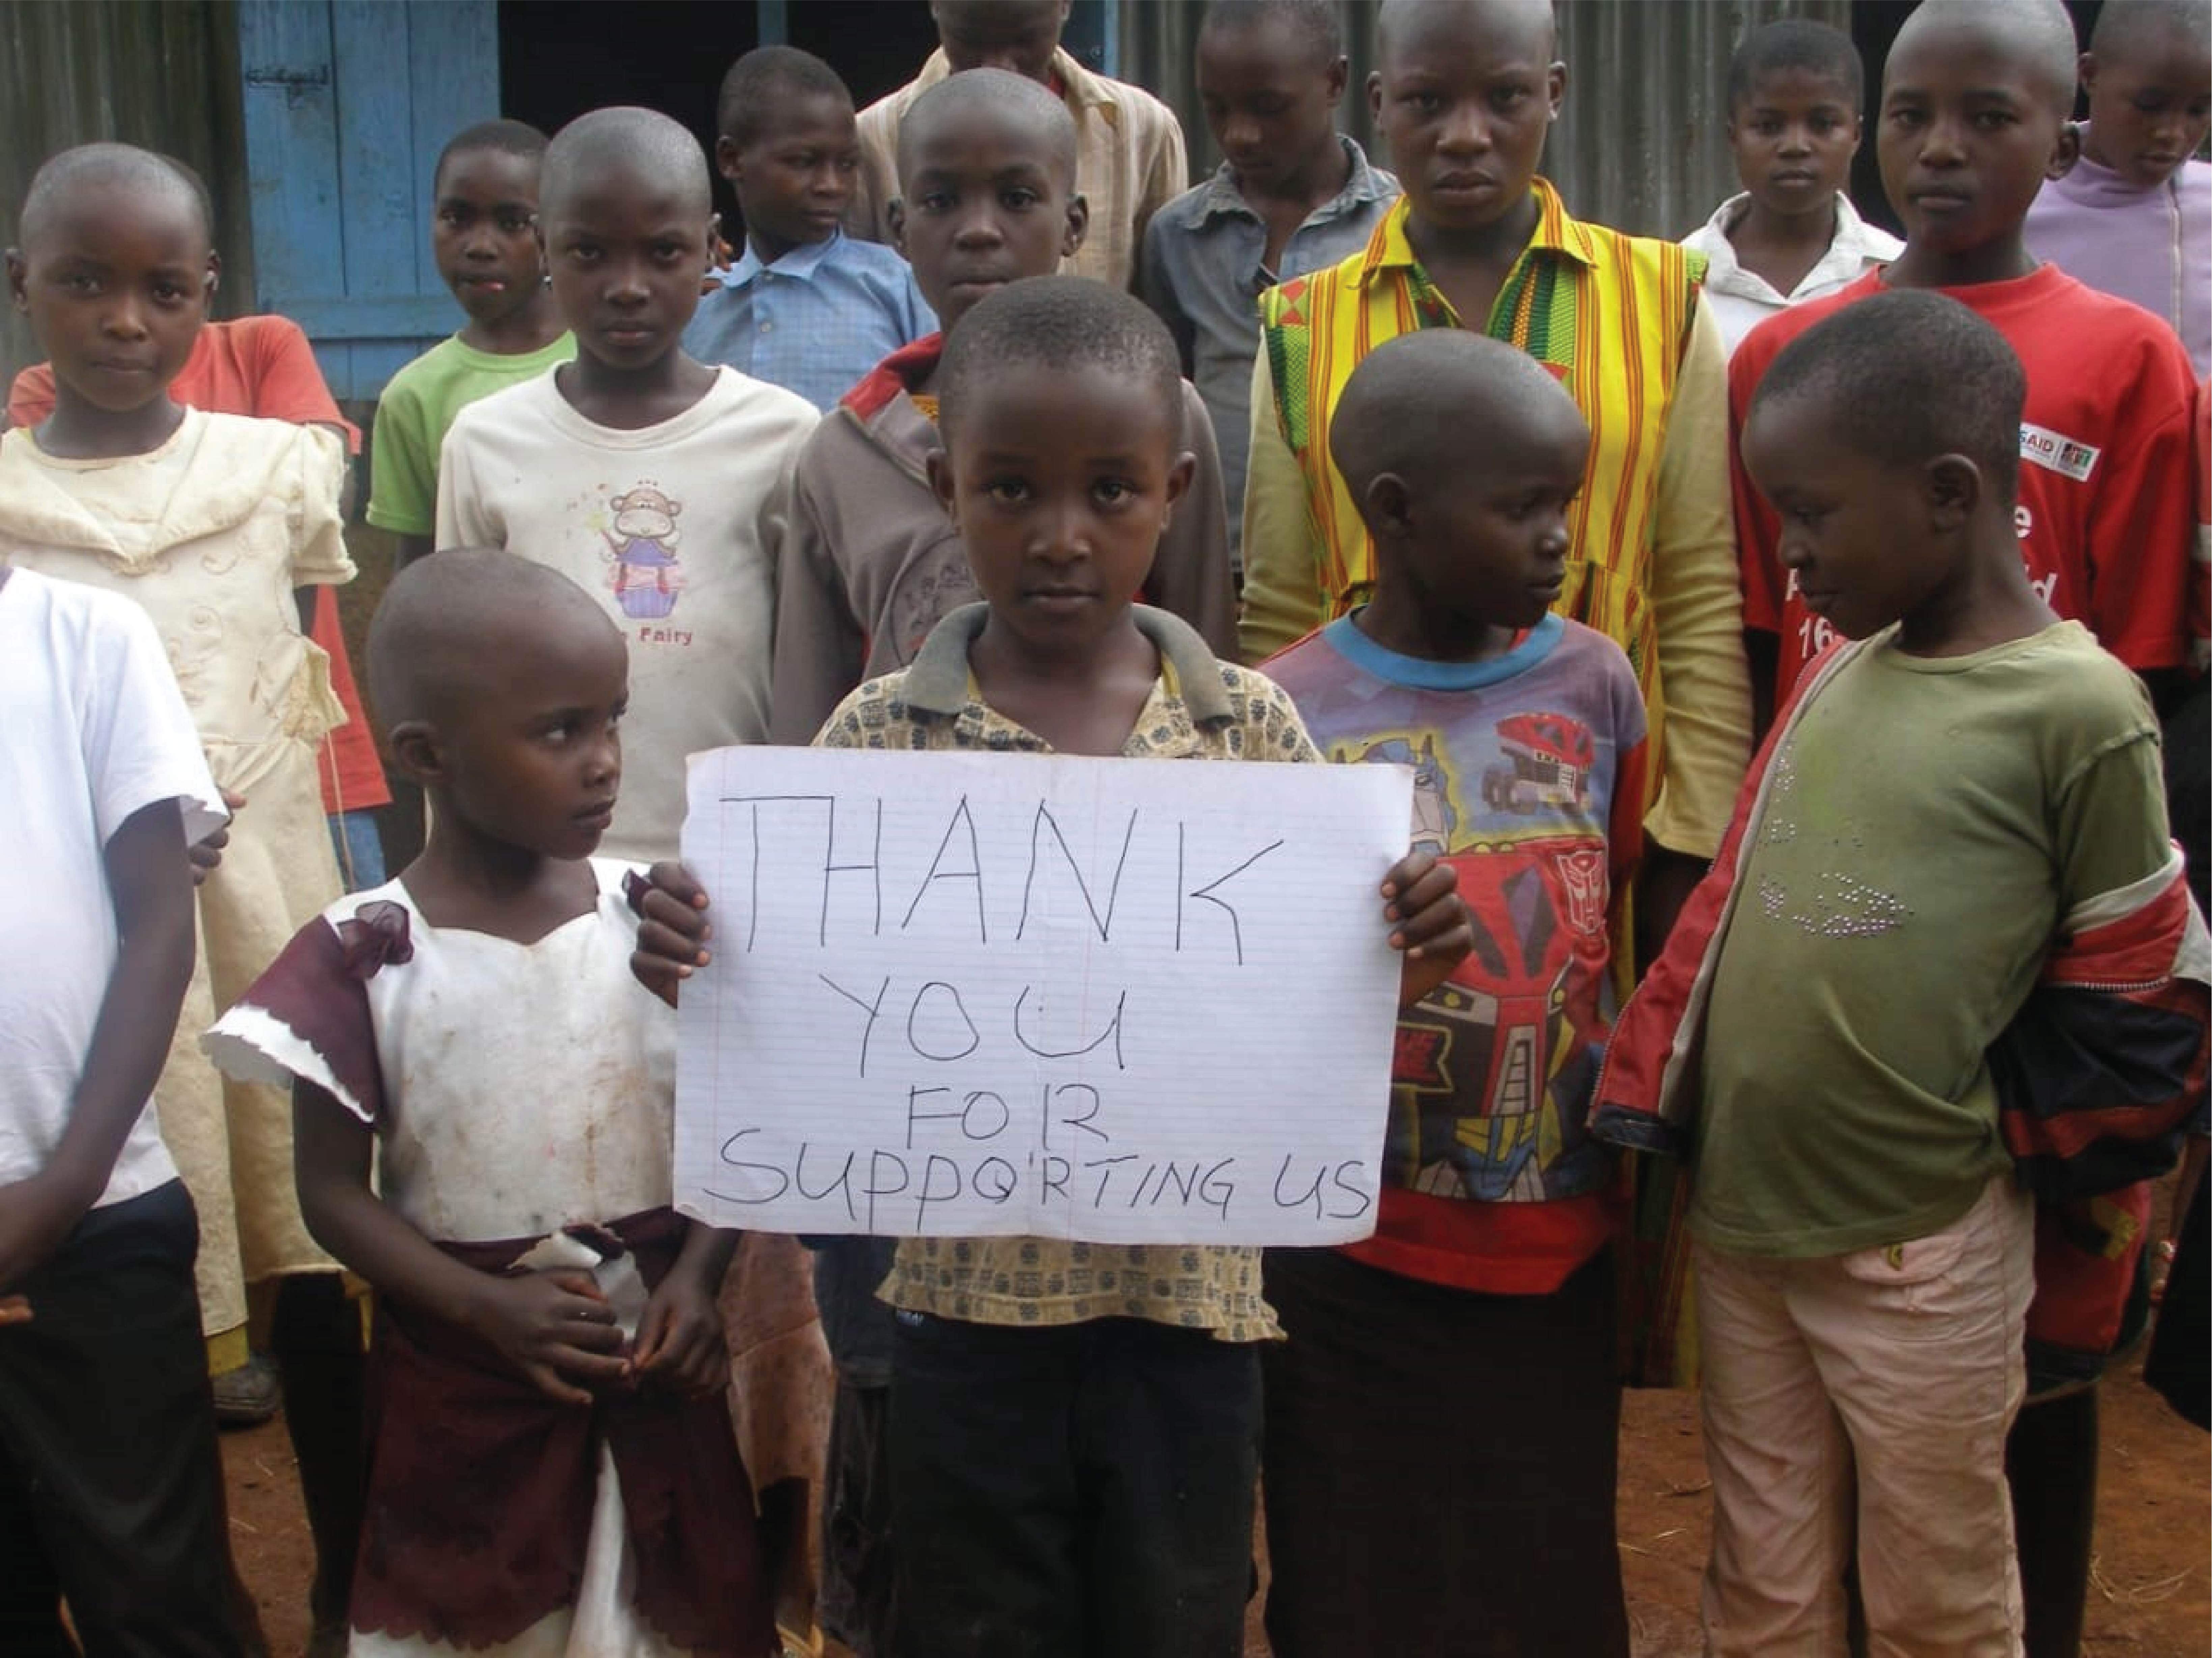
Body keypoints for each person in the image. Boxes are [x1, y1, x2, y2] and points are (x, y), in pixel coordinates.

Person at [634, 276, 1471, 1658]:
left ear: (1177, 489)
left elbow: (1323, 1003)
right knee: (978, 1622)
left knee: (1178, 1614)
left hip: (1191, 1323)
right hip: (961, 1325)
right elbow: (786, 1009)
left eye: (1109, 491)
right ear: (943, 480)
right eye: (1010, 490)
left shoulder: (1247, 733)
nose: (1060, 535)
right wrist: (701, 959)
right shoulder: (878, 746)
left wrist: (1412, 944)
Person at [1595, 288, 2204, 1658]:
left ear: (1947, 492)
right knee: (1761, 1580)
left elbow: (2137, 965)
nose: (1788, 553)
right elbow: (1737, 909)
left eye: (1811, 513)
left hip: (1919, 1238)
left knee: (1936, 1583)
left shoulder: (2078, 705)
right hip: (1745, 1227)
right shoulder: (1837, 674)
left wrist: (2021, 1147)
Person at [204, 550, 776, 1657]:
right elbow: (329, 1192)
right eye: (561, 732)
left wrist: (702, 1277)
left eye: (612, 720)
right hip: (469, 1383)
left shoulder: (653, 917)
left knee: (679, 1613)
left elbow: (741, 1114)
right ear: (426, 755)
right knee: (480, 1622)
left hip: (659, 1363)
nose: (606, 763)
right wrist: (485, 1310)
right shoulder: (369, 952)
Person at [1258, 330, 1645, 1656]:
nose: (1557, 541)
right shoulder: (1283, 715)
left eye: (1566, 505)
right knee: (1356, 1561)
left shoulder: (1596, 682)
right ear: (1394, 512)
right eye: (1523, 507)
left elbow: (1618, 896)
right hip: (1352, 1249)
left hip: (1554, 1232)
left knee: (1541, 1564)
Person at [1240, 0, 1752, 975]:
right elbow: (1278, 604)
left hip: (1606, 821)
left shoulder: (1663, 299)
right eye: (1429, 101)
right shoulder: (1298, 329)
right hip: (1376, 846)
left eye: (1505, 97)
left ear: (1553, 95)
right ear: (1380, 106)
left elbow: (1692, 589)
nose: (1465, 135)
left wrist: (1694, 838)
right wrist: (1292, 829)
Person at [0, 139, 350, 1486]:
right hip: (86, 937)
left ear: (210, 290)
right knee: (154, 1218)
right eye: (85, 284)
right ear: (23, 285)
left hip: (272, 900)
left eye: (162, 288)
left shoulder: (276, 470)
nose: (126, 320)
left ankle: (337, 1584)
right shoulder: (13, 501)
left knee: (305, 1217)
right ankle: (171, 1561)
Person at [1730, 0, 2199, 725]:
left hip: (2027, 792)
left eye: (1987, 118)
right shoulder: (1779, 355)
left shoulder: (2131, 364)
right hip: (1818, 784)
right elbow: (1759, 630)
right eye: (1909, 116)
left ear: (2059, 148)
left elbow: (2140, 657)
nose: (1939, 149)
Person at [768, 67, 1236, 750]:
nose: (979, 231)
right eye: (941, 201)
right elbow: (807, 704)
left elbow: (1204, 658)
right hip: (904, 827)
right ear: (899, 228)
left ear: (1073, 222)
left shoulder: (1164, 410)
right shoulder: (841, 450)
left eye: (1017, 199)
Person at [437, 106, 819, 865]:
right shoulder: (485, 442)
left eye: (663, 252)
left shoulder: (782, 436)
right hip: (542, 868)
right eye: (589, 252)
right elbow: (458, 681)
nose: (627, 287)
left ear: (712, 248)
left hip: (726, 863)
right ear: (544, 247)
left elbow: (807, 666)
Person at [0, 566, 240, 1656]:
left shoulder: (81, 635)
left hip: (90, 1207)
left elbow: (157, 924)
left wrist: (55, 1192)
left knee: (152, 1591)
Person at [1138, 0, 1400, 569]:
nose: (1240, 134)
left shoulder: (1399, 229)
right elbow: (1168, 401)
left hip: (1362, 565)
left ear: (1334, 81)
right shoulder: (1178, 236)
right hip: (1215, 563)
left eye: (1268, 108)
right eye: (1217, 108)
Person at [845, 0, 1187, 290]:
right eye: (969, 40)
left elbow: (1166, 305)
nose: (998, 67)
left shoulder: (1140, 128)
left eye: (1025, 40)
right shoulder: (872, 138)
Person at [683, 46, 935, 413]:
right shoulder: (701, 310)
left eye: (847, 164)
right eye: (804, 162)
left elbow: (933, 422)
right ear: (732, 159)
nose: (831, 185)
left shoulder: (897, 286)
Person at [368, 120, 574, 569]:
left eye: (513, 222)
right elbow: (418, 567)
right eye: (457, 218)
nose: (481, 246)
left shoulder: (603, 361)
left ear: (554, 230)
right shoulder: (413, 396)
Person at [1681, 19, 1902, 357]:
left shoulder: (1896, 272)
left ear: (1855, 136)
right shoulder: (1677, 278)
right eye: (1768, 126)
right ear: (1733, 136)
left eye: (1822, 124)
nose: (1795, 145)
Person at [2024, 0, 2211, 377]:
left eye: (2198, 111)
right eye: (2149, 105)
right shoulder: (2019, 205)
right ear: (2089, 75)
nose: (2172, 134)